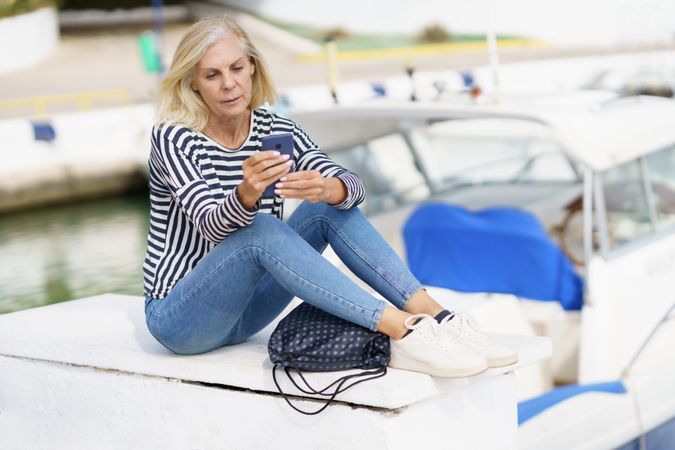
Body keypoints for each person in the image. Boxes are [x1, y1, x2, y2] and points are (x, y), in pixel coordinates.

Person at [142, 15, 517, 378]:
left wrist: (329, 187)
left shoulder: (276, 127)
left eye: (237, 68)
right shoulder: (175, 137)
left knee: (329, 207)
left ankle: (440, 318)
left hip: (249, 313)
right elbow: (211, 226)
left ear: (253, 67)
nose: (229, 84)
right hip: (183, 317)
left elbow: (352, 185)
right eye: (212, 75)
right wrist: (247, 192)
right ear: (192, 83)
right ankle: (404, 329)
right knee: (261, 228)